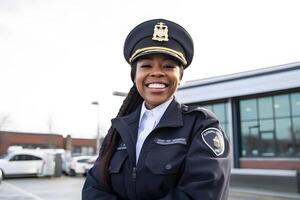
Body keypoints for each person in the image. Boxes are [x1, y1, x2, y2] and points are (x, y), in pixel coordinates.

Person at [82, 18, 231, 200]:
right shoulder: (119, 130)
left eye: (169, 66)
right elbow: (93, 189)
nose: (157, 72)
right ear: (134, 75)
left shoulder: (201, 125)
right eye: (146, 66)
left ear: (180, 77)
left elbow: (202, 193)